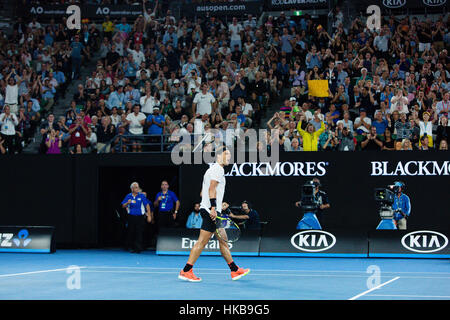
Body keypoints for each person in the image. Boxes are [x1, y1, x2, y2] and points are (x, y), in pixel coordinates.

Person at [179, 146, 250, 282]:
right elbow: (212, 188)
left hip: (212, 210)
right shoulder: (218, 169)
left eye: (230, 154)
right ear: (218, 156)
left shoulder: (210, 170)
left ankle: (234, 270)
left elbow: (202, 193)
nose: (229, 157)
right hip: (211, 211)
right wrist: (213, 207)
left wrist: (217, 204)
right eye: (226, 154)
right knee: (202, 242)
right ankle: (186, 270)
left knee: (223, 240)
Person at [121, 182, 153, 253]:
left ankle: (138, 248)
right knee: (131, 232)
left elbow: (147, 205)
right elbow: (123, 205)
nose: (137, 188)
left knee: (139, 232)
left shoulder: (141, 196)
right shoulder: (128, 196)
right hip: (131, 216)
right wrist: (127, 203)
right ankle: (131, 247)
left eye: (138, 187)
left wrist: (149, 215)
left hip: (140, 217)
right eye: (135, 187)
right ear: (132, 188)